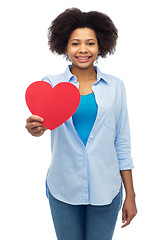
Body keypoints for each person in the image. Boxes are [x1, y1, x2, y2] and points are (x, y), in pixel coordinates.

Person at [25, 8, 137, 240]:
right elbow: (42, 124)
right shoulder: (51, 84)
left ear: (100, 46)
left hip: (106, 189)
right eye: (75, 43)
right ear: (65, 47)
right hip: (63, 187)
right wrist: (35, 129)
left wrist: (131, 195)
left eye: (90, 43)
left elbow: (122, 143)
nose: (83, 49)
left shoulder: (116, 87)